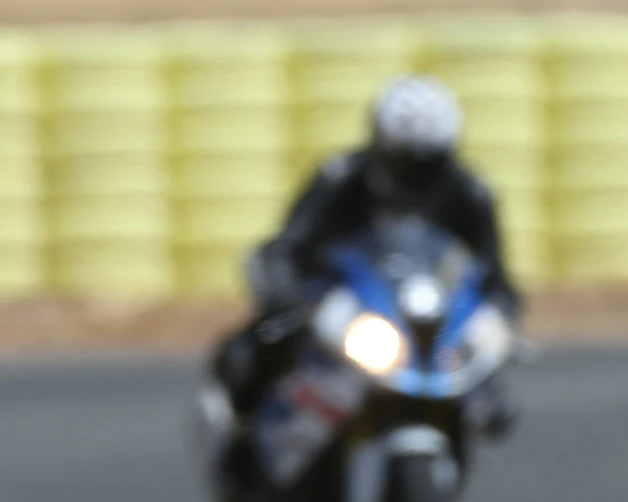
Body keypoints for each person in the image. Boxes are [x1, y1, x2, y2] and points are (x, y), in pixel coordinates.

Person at [208, 75, 520, 452]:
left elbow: (494, 276)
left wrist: (498, 322)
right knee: (263, 341)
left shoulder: (469, 192)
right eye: (406, 162)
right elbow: (290, 245)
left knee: (493, 385)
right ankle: (241, 437)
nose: (415, 175)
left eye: (428, 164)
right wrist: (285, 291)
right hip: (345, 301)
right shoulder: (340, 177)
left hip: (423, 316)